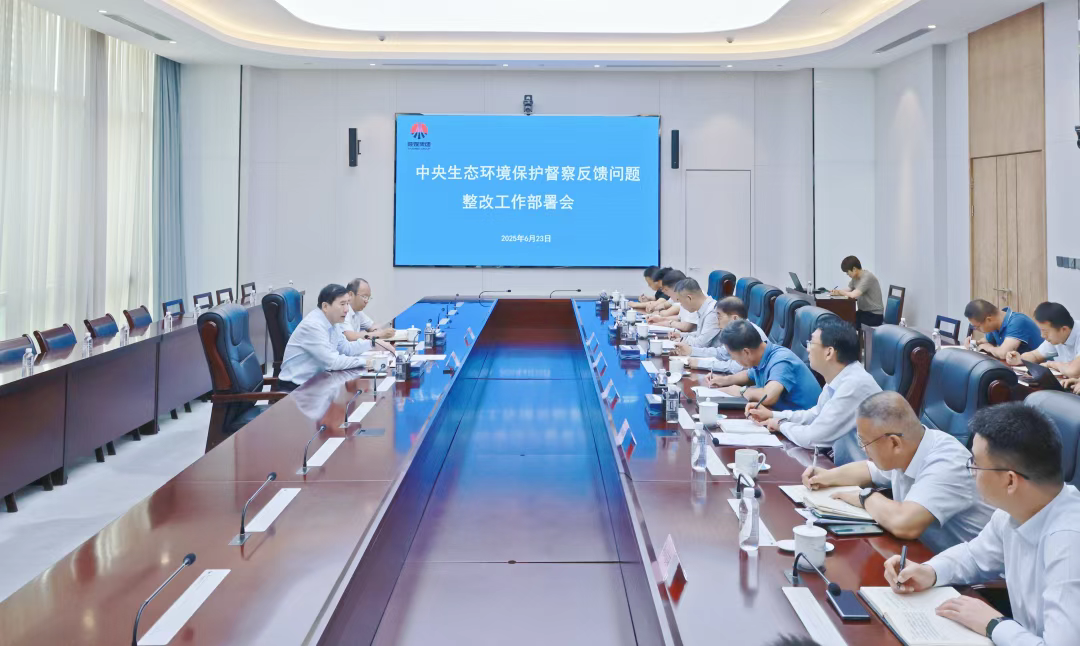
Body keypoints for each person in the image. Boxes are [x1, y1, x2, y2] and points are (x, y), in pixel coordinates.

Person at [884, 403, 1080, 645]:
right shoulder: (1016, 509)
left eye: (975, 463)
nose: (971, 470)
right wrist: (930, 571)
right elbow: (975, 556)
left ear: (1010, 481)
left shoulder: (1070, 542)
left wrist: (993, 624)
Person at [802, 392, 994, 550]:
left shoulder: (947, 463)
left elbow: (904, 524)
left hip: (976, 580)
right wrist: (826, 476)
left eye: (865, 443)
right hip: (927, 559)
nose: (863, 450)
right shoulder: (911, 446)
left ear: (894, 443)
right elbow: (869, 469)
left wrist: (865, 496)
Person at [747, 319, 882, 465]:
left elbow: (814, 438)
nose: (807, 349)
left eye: (811, 343)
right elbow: (815, 415)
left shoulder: (854, 384)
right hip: (842, 466)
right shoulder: (839, 376)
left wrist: (780, 424)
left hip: (865, 473)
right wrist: (772, 415)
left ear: (829, 352)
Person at [709, 319, 822, 411]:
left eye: (732, 355)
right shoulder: (762, 355)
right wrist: (724, 380)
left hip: (803, 425)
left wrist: (741, 391)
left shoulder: (781, 360)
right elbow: (749, 375)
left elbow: (768, 396)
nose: (733, 359)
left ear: (746, 352)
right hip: (782, 418)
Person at [278, 284, 373, 389]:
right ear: (325, 307)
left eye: (347, 303)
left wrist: (371, 343)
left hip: (318, 383)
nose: (346, 309)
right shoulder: (313, 326)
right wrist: (365, 362)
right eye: (342, 304)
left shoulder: (333, 321)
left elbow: (346, 348)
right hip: (296, 388)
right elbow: (332, 362)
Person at [687, 297, 767, 373]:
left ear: (734, 318)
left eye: (719, 317)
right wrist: (691, 350)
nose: (717, 322)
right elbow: (722, 353)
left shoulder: (747, 332)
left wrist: (701, 364)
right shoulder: (737, 331)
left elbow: (737, 367)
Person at [1005, 302, 1080, 379]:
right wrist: (1020, 359)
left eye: (1045, 331)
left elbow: (1074, 371)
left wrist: (1050, 364)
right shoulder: (1058, 336)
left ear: (1064, 329)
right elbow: (1035, 355)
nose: (1042, 335)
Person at [964, 299, 1043, 360]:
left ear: (989, 319)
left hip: (1039, 369)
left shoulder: (1017, 322)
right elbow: (986, 341)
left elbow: (1004, 353)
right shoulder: (995, 325)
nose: (977, 329)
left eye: (977, 326)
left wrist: (988, 348)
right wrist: (974, 343)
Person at [831, 256, 885, 328]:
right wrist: (837, 292)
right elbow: (849, 289)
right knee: (845, 318)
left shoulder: (867, 277)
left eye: (847, 272)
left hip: (874, 315)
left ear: (854, 269)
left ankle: (853, 336)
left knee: (848, 322)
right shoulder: (855, 277)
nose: (847, 274)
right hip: (863, 312)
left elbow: (853, 295)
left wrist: (841, 292)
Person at [668, 278, 719, 350]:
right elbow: (700, 334)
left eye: (681, 301)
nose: (681, 305)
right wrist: (681, 335)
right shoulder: (704, 308)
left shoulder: (712, 312)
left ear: (689, 298)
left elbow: (701, 344)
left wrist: (682, 340)